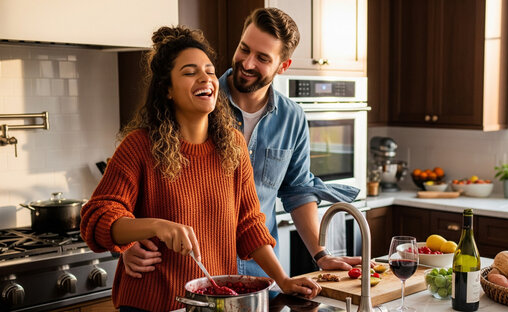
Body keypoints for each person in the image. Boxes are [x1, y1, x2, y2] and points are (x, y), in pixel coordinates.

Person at [80, 25, 320, 312]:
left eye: (209, 70)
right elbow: (97, 217)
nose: (206, 78)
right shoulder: (139, 146)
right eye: (190, 72)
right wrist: (155, 227)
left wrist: (283, 280)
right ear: (167, 88)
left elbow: (249, 224)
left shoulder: (233, 145)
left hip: (212, 310)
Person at [122, 8, 363, 279]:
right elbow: (132, 194)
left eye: (262, 58)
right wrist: (127, 245)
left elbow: (298, 191)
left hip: (261, 269)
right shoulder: (197, 100)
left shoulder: (291, 117)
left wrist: (321, 255)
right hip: (197, 270)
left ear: (283, 66)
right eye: (244, 49)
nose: (247, 63)